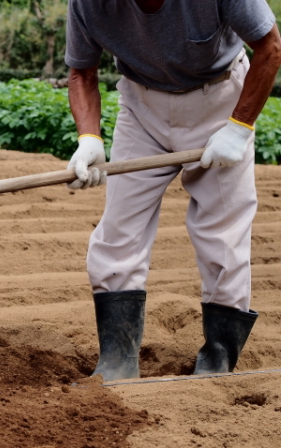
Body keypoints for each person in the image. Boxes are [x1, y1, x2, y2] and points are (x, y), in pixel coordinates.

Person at [65, 0, 281, 381]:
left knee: (223, 235)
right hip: (141, 106)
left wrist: (239, 126)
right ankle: (117, 359)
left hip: (219, 102)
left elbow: (270, 47)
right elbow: (82, 71)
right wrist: (88, 137)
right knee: (118, 233)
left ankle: (217, 359)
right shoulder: (87, 3)